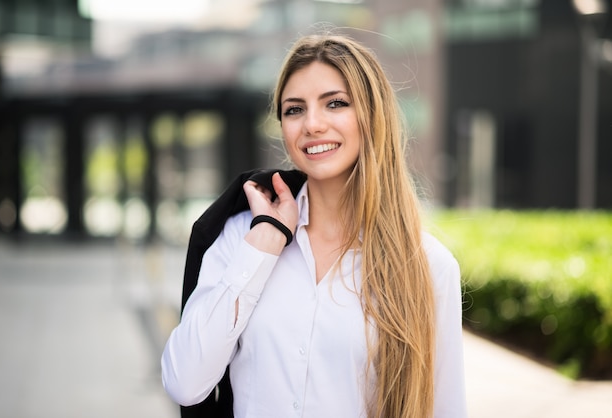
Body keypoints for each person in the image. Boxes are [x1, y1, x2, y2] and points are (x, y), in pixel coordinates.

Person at [161, 33, 467, 418]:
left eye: (335, 104)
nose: (312, 124)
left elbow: (445, 408)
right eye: (294, 110)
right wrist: (265, 243)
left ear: (372, 115)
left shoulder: (429, 265)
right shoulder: (241, 236)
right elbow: (184, 383)